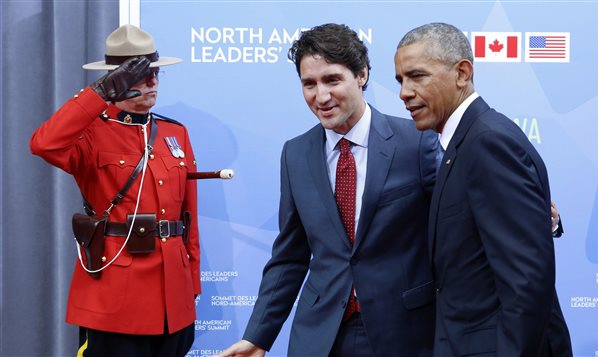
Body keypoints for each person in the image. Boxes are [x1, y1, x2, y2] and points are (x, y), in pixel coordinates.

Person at [220, 23, 438, 357]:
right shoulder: (295, 154)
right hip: (319, 336)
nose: (321, 96)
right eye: (309, 84)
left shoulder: (417, 143)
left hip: (403, 333)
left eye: (332, 80)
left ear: (361, 75)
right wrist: (258, 337)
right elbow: (289, 257)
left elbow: (455, 232)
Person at [394, 23, 572, 356]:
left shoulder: (487, 143)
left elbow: (526, 282)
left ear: (462, 73)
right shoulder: (462, 143)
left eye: (417, 76)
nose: (404, 92)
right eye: (400, 80)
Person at [30, 24, 200, 356]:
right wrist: (100, 93)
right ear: (115, 80)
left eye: (155, 72)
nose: (152, 82)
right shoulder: (91, 133)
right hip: (116, 300)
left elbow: (187, 216)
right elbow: (43, 144)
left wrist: (191, 281)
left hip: (174, 299)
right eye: (139, 75)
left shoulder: (174, 133)